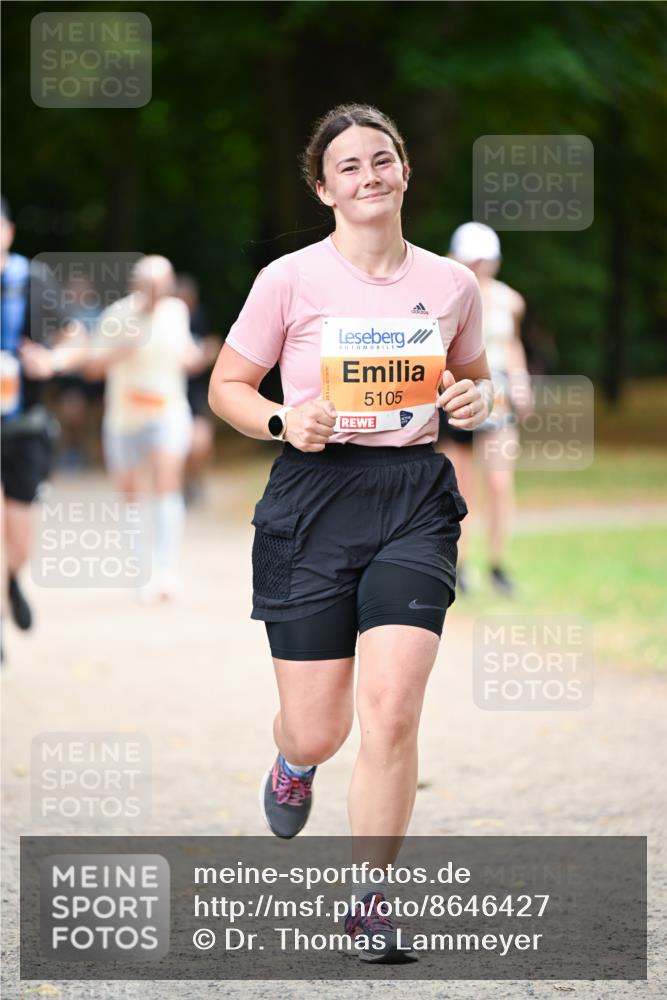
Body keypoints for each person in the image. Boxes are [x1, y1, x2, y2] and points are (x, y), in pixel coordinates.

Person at [208, 105, 493, 963]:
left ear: (404, 171)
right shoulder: (289, 280)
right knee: (319, 728)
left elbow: (474, 382)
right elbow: (228, 384)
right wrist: (280, 422)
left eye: (382, 159)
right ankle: (293, 763)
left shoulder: (452, 285)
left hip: (411, 498)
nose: (368, 176)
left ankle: (371, 900)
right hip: (312, 498)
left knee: (391, 711)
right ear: (323, 188)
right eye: (348, 167)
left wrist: (475, 402)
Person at [84, 255, 205, 601]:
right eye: (150, 286)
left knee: (168, 484)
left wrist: (194, 356)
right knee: (131, 495)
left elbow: (185, 352)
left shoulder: (176, 312)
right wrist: (123, 349)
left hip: (168, 413)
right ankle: (142, 570)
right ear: (136, 285)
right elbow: (91, 367)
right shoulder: (116, 315)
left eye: (162, 287)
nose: (157, 294)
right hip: (124, 418)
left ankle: (166, 571)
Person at [1, 195, 86, 650]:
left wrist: (51, 363)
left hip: (23, 427)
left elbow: (77, 340)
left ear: (8, 231)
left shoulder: (32, 280)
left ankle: (11, 579)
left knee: (19, 542)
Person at [436, 222, 533, 595]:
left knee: (499, 483)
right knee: (460, 490)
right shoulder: (447, 294)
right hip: (456, 397)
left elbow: (511, 344)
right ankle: (459, 568)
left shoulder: (510, 300)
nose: (481, 267)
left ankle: (497, 565)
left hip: (498, 400)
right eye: (473, 260)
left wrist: (520, 379)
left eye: (486, 260)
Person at [174, 274, 221, 506]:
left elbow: (213, 344)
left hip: (194, 393)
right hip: (170, 394)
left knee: (201, 442)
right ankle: (180, 486)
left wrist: (206, 355)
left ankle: (195, 480)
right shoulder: (164, 322)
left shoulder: (199, 318)